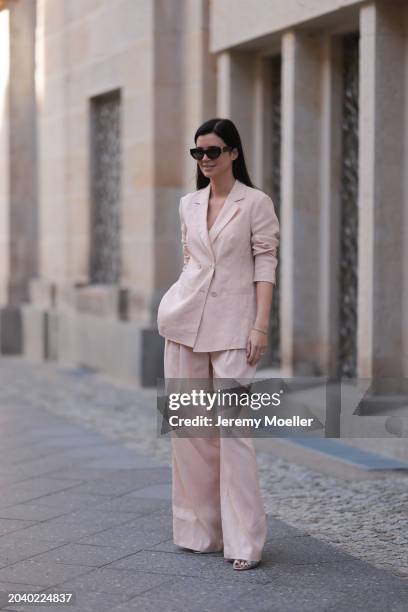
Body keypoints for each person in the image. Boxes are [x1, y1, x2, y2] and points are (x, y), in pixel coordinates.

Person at [157, 117, 280, 570]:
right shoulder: (188, 204)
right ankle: (199, 531)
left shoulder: (256, 203)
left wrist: (259, 327)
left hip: (234, 329)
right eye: (198, 153)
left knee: (234, 437)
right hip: (184, 325)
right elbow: (191, 260)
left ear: (233, 152)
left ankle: (244, 542)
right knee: (190, 434)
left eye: (212, 151)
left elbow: (264, 266)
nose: (204, 159)